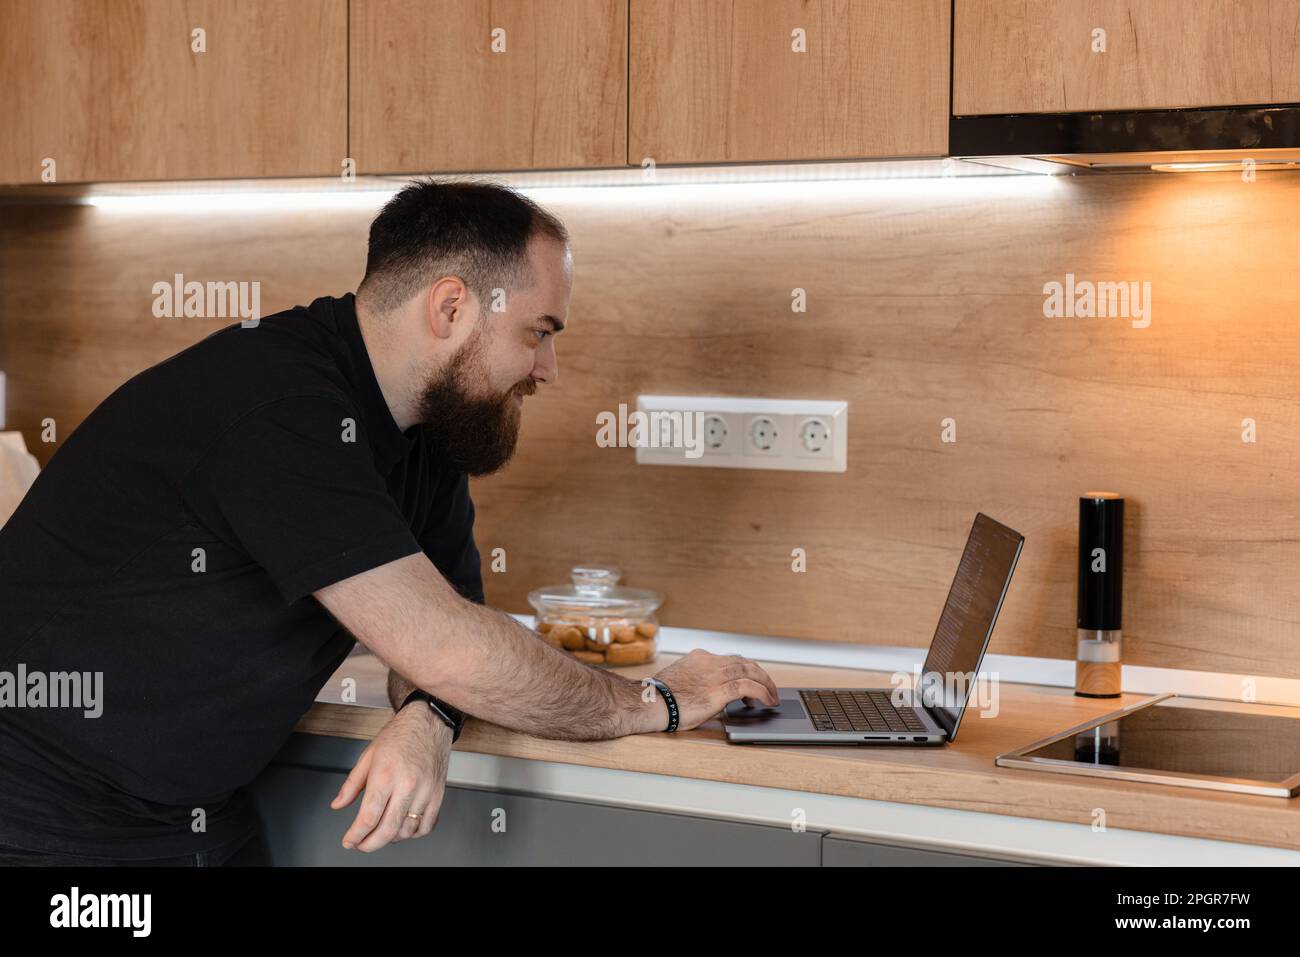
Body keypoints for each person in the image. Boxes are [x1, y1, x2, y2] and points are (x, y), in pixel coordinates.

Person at [0, 180, 780, 866]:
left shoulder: (427, 433)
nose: (547, 370)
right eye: (539, 333)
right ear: (451, 307)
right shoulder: (281, 408)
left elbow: (451, 634)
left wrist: (428, 717)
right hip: (42, 813)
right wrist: (655, 702)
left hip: (187, 812)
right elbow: (450, 647)